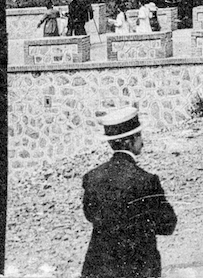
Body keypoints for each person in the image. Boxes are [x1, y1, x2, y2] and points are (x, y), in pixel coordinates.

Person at [81, 106, 178, 278]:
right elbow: (167, 224)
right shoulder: (146, 180)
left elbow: (90, 215)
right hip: (139, 266)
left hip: (99, 266)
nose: (142, 141)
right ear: (130, 141)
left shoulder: (92, 178)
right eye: (139, 136)